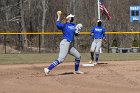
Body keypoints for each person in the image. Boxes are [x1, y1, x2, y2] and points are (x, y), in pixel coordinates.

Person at [44, 11, 84, 75]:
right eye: (72, 17)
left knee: (78, 56)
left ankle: (76, 70)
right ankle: (48, 69)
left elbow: (76, 34)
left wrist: (78, 30)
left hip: (70, 45)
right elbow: (57, 25)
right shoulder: (65, 25)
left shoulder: (73, 25)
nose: (73, 18)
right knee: (61, 59)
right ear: (69, 18)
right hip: (65, 43)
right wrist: (58, 16)